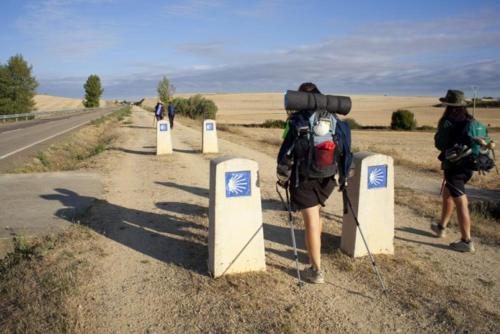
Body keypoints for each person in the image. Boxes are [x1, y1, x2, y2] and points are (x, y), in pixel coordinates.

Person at [276, 82, 339, 284]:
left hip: (305, 177)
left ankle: (316, 270)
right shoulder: (333, 118)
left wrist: (283, 177)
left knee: (311, 219)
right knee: (316, 215)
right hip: (328, 177)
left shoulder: (298, 120)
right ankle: (314, 252)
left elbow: (286, 153)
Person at [432, 89, 476, 253]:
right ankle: (441, 226)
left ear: (449, 105)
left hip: (454, 167)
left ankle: (466, 240)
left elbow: (440, 144)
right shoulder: (470, 119)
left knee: (460, 200)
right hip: (469, 167)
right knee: (448, 194)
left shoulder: (448, 121)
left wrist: (441, 133)